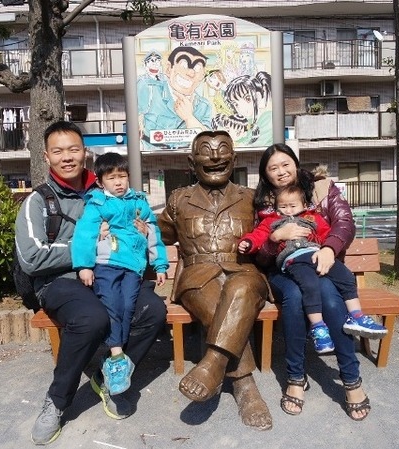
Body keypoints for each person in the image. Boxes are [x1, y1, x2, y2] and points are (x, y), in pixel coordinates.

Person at [15, 121, 166, 445]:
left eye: (73, 149)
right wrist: (86, 247)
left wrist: (138, 235)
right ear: (46, 156)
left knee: (153, 310)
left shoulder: (108, 192)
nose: (67, 157)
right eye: (58, 151)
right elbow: (31, 258)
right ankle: (57, 401)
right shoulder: (38, 202)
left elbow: (141, 228)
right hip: (61, 281)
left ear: (85, 152)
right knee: (91, 318)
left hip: (112, 274)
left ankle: (109, 376)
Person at [157, 130, 272, 431]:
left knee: (241, 287)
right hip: (197, 276)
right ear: (191, 161)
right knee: (217, 307)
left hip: (245, 272)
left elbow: (273, 231)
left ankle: (212, 365)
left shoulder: (251, 198)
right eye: (206, 151)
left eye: (223, 150)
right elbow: (157, 234)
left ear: (234, 159)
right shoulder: (178, 199)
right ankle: (245, 384)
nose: (215, 156)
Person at [253, 143, 372, 421]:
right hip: (283, 271)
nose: (281, 172)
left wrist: (330, 248)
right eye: (273, 168)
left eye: (285, 164)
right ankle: (296, 377)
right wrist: (274, 240)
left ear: (295, 163)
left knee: (330, 298)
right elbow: (260, 254)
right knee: (294, 299)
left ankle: (351, 379)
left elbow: (344, 222)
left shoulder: (322, 188)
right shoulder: (262, 202)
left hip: (322, 265)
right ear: (266, 175)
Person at [238, 184, 387, 354]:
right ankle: (318, 327)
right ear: (276, 207)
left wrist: (329, 248)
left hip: (316, 256)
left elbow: (327, 233)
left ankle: (357, 316)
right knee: (309, 284)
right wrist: (248, 243)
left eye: (293, 206)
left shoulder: (313, 218)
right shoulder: (272, 221)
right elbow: (258, 235)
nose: (288, 210)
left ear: (304, 205)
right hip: (294, 259)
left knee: (345, 276)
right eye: (283, 206)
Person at [71, 152, 169, 396]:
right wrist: (84, 265)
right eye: (112, 178)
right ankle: (116, 356)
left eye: (122, 177)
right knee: (112, 305)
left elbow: (154, 234)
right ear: (100, 182)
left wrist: (160, 265)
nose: (118, 182)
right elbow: (84, 234)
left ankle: (116, 356)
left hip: (133, 267)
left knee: (127, 305)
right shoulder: (97, 203)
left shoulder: (138, 202)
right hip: (106, 263)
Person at [138, 46, 212, 150]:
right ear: (169, 69)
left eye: (197, 68)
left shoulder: (204, 105)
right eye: (184, 65)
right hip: (151, 159)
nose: (191, 73)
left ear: (202, 76)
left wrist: (189, 118)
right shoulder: (150, 91)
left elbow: (207, 143)